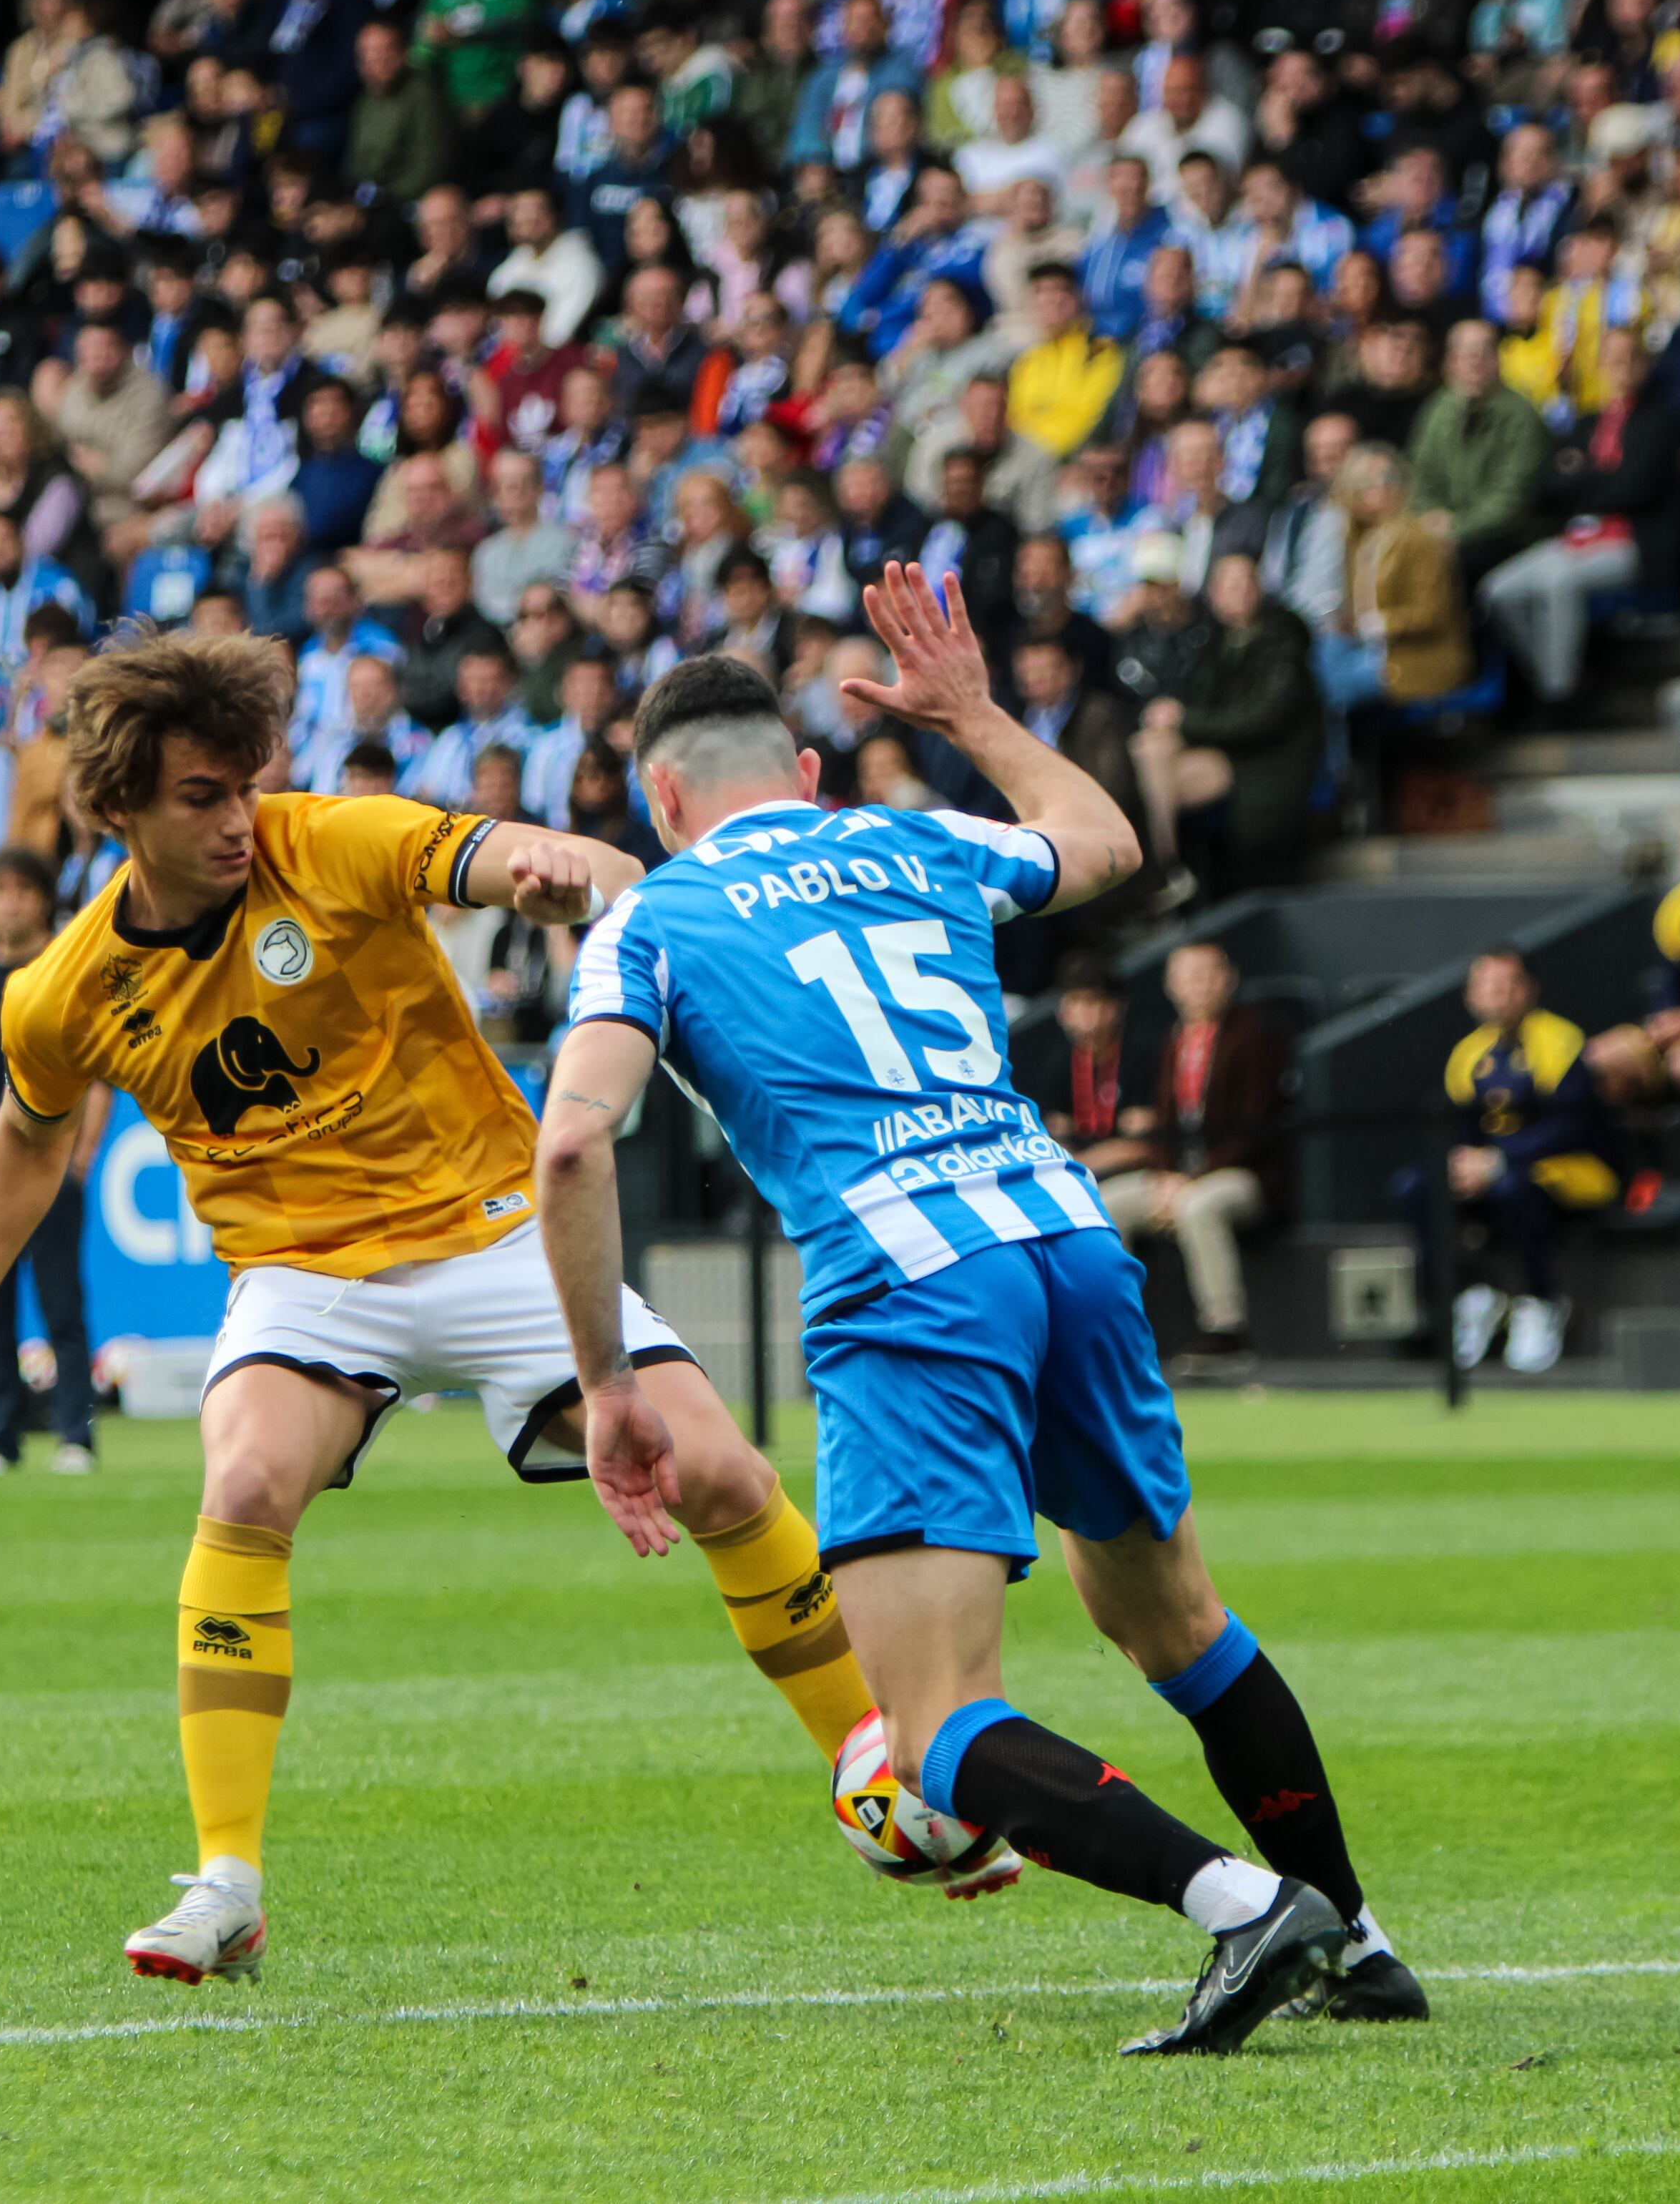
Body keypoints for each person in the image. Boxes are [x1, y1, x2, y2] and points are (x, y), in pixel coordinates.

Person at [0, 630, 878, 1986]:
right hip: (307, 1273)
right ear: (120, 811)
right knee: (248, 1476)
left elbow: (546, 863)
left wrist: (563, 870)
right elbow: (27, 1144)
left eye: (243, 785)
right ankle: (227, 1878)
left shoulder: (330, 841)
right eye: (201, 796)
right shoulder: (67, 988)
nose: (236, 818)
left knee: (722, 1469)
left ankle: (878, 1771)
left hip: (500, 1227)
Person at [534, 569, 1420, 2056]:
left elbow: (567, 1141)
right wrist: (976, 715)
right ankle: (1357, 1933)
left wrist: (607, 1378)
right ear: (806, 772)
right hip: (1064, 1232)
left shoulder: (650, 918)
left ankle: (1239, 1903)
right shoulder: (906, 835)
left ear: (665, 799)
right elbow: (1106, 840)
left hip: (907, 1274)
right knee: (1173, 1618)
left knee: (933, 1727)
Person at [0, 847, 100, 1475]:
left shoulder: (66, 967)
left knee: (62, 1306)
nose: (9, 901)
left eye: (21, 890)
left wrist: (81, 1157)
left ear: (42, 898)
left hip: (54, 1162)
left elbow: (99, 1073)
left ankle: (75, 1434)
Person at [1392, 948, 1618, 1376]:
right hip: (1490, 1173)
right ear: (1470, 996)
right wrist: (1462, 1166)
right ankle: (1469, 1298)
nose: (1497, 995)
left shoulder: (1560, 1041)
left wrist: (1498, 1160)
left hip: (1566, 1169)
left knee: (1515, 1186)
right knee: (1415, 1187)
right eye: (1486, 986)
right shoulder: (1466, 1055)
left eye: (1508, 985)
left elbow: (1570, 1125)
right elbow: (1461, 1131)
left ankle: (1541, 1300)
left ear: (1529, 990)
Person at [1104, 941, 1289, 1372]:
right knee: (1107, 1206)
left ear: (1228, 980)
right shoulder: (1172, 1040)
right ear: (1172, 987)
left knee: (1198, 1207)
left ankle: (1226, 1330)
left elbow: (1254, 1129)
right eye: (1188, 977)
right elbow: (1166, 1124)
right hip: (1178, 1175)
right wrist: (1168, 1176)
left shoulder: (1256, 1036)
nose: (1199, 986)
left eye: (1208, 975)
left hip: (1242, 1175)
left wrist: (1191, 1181)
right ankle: (1120, 1327)